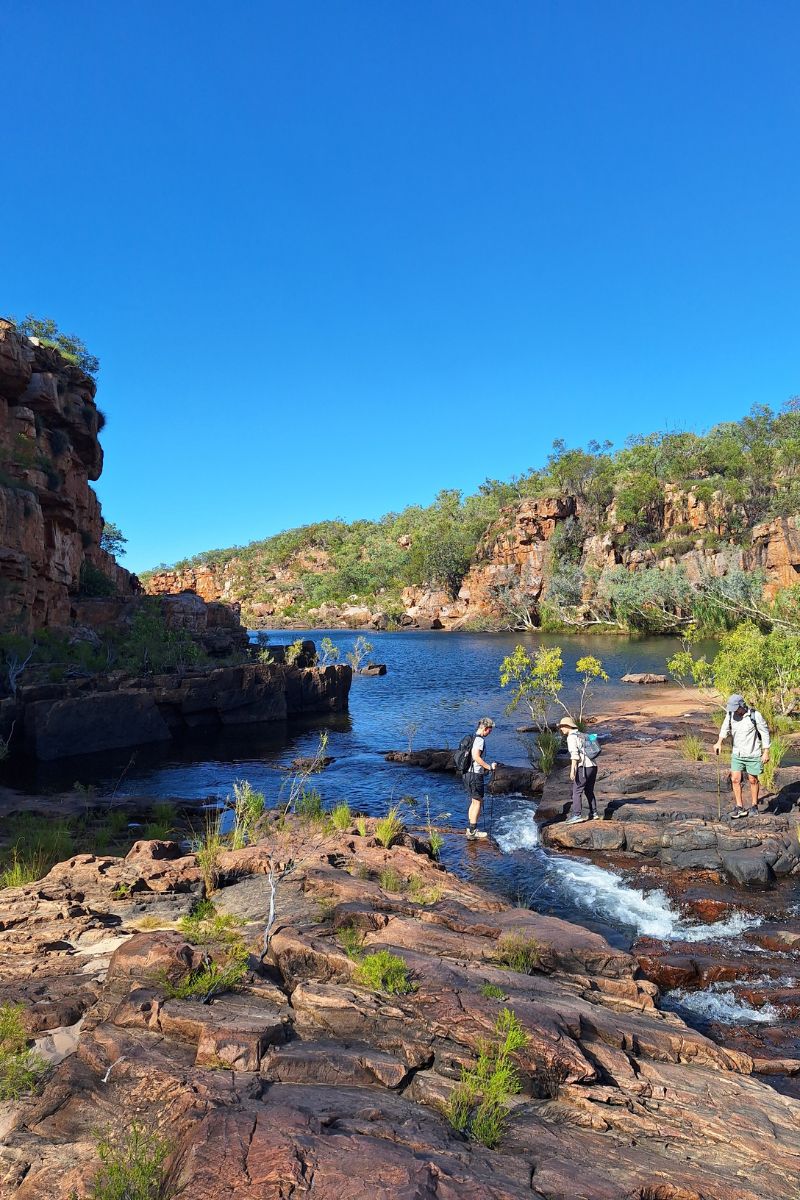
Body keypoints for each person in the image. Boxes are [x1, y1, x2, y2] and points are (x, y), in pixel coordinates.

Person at [714, 694, 771, 818]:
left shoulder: (755, 716)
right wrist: (719, 742)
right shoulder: (730, 715)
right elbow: (724, 729)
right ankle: (739, 807)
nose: (733, 710)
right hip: (737, 753)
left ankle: (754, 806)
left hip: (753, 753)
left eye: (735, 708)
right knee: (735, 779)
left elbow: (764, 733)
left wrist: (766, 751)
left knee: (752, 780)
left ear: (741, 705)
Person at [558, 716, 600, 824]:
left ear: (568, 726)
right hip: (593, 766)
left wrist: (572, 770)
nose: (561, 729)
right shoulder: (581, 734)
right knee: (589, 790)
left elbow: (575, 756)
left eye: (562, 726)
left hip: (583, 767)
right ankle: (594, 813)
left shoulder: (571, 737)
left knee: (576, 791)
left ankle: (577, 815)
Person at [465, 718, 497, 840]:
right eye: (489, 730)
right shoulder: (479, 740)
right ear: (485, 728)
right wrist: (489, 767)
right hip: (475, 775)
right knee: (478, 802)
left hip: (467, 774)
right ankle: (472, 832)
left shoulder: (472, 737)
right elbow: (476, 757)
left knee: (474, 801)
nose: (490, 733)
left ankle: (470, 828)